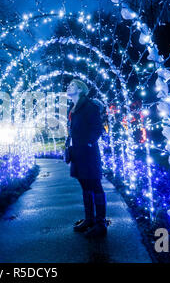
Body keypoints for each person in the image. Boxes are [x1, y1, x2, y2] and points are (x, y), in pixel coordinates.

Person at [66, 79, 107, 237]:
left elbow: (98, 128)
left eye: (72, 85)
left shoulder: (89, 106)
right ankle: (89, 219)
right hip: (77, 152)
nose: (68, 86)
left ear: (80, 90)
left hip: (88, 153)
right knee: (84, 184)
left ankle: (100, 223)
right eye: (69, 85)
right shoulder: (73, 108)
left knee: (95, 184)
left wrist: (88, 144)